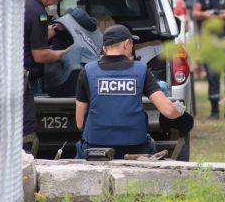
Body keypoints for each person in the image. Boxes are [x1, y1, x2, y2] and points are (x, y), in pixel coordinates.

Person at [75, 24, 190, 159]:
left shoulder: (87, 71)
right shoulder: (141, 70)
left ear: (104, 48)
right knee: (151, 144)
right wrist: (179, 110)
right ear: (127, 44)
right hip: (135, 148)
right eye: (132, 44)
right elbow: (168, 111)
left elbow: (80, 123)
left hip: (95, 148)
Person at [23, 0, 69, 153]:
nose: (55, 2)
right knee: (26, 130)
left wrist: (54, 30)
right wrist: (65, 53)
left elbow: (29, 35)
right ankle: (23, 167)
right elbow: (40, 55)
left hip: (6, 79)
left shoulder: (22, 2)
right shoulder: (38, 11)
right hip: (22, 82)